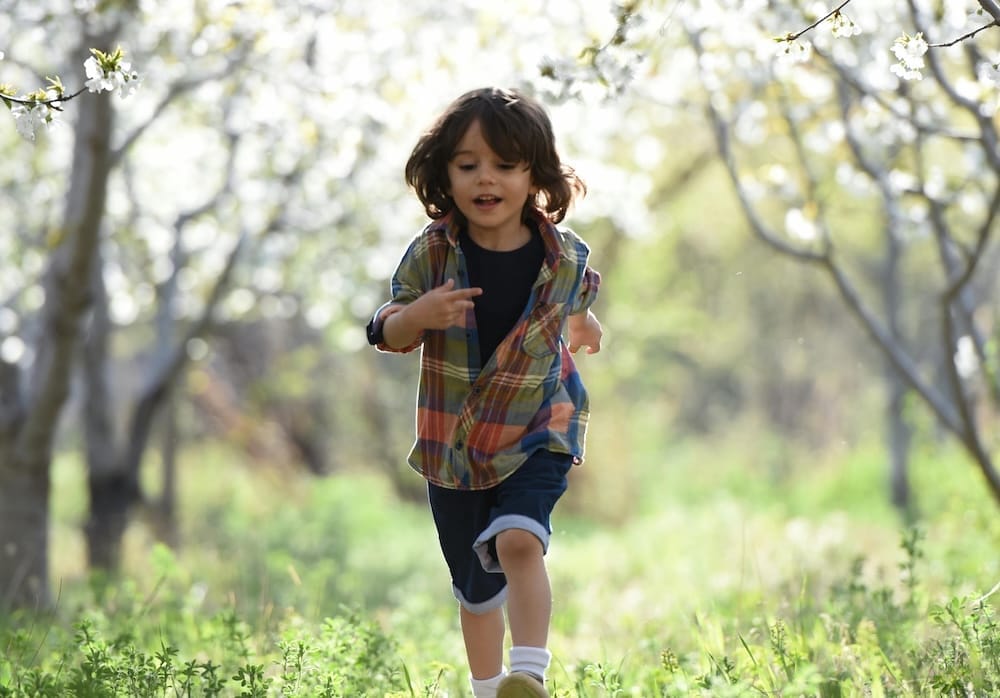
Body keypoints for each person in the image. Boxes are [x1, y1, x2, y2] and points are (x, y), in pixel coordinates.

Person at [366, 86, 603, 698]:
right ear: (445, 173)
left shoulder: (565, 256)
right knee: (476, 593)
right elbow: (383, 329)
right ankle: (487, 687)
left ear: (534, 174)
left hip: (537, 427)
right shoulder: (433, 254)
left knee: (519, 540)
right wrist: (418, 316)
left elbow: (575, 304)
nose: (485, 179)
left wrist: (585, 327)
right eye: (468, 165)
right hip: (456, 446)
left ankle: (527, 676)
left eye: (503, 164)